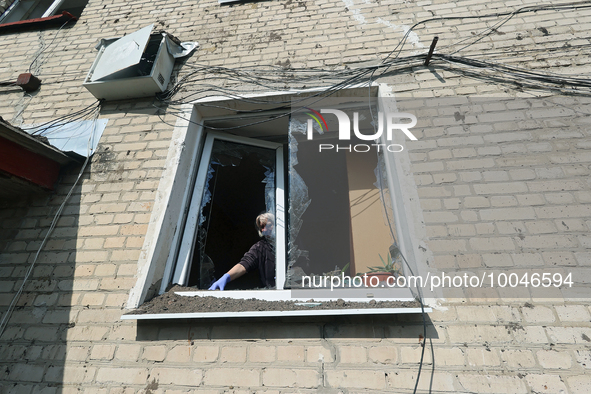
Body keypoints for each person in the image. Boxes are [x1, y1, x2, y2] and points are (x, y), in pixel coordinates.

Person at [208, 212, 276, 290]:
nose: (264, 229)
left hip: (291, 293)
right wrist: (225, 277)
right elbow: (243, 265)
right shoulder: (260, 247)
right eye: (262, 226)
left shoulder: (289, 245)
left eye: (269, 225)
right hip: (273, 295)